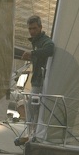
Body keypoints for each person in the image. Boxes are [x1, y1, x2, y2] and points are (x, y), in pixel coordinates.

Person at [16, 15, 55, 145]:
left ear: (40, 27)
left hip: (41, 81)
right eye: (30, 29)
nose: (32, 31)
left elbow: (50, 49)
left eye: (34, 28)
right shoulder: (36, 42)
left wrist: (32, 53)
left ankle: (33, 134)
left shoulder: (45, 41)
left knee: (33, 106)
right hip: (36, 80)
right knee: (31, 107)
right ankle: (31, 133)